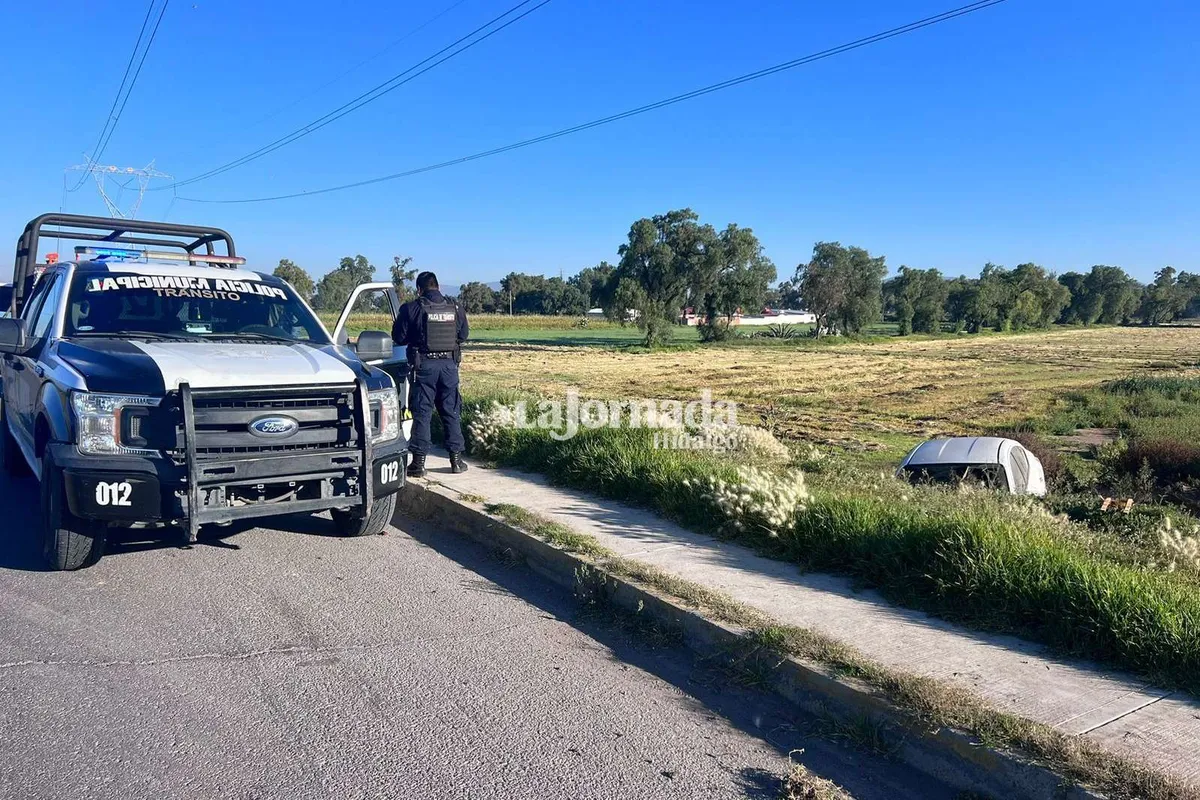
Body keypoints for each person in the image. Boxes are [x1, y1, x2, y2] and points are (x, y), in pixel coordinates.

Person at [392, 271, 470, 477]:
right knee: (451, 411)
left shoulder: (411, 308)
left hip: (424, 367)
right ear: (438, 287)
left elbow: (398, 337)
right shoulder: (455, 307)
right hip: (449, 367)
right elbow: (463, 335)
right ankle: (456, 460)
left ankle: (418, 464)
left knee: (422, 413)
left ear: (419, 289)